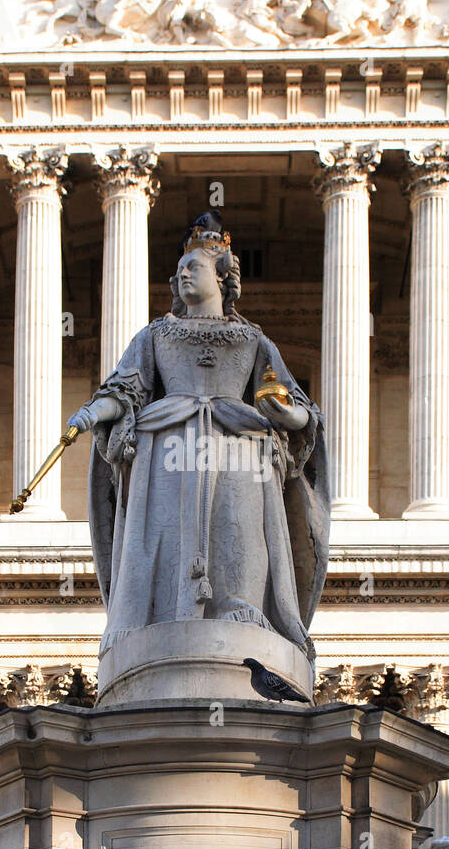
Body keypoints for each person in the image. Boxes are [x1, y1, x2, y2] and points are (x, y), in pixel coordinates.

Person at [68, 213, 329, 666]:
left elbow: (298, 406)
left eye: (194, 267)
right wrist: (93, 413)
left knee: (238, 527)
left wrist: (283, 412)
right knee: (163, 532)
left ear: (222, 277)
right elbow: (124, 389)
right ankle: (156, 613)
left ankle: (241, 608)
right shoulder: (153, 335)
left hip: (238, 443)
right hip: (167, 443)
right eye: (180, 270)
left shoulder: (252, 339)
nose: (183, 274)